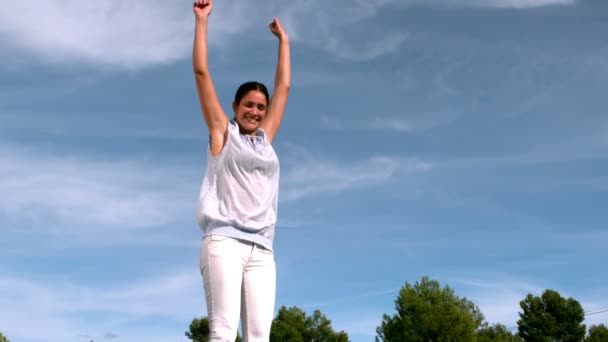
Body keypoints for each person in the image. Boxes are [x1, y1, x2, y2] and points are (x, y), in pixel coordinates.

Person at [192, 0, 290, 341]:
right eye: (249, 104)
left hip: (262, 249)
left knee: (259, 337)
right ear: (235, 106)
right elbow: (202, 73)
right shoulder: (223, 134)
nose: (256, 111)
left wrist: (284, 43)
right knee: (222, 332)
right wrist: (202, 21)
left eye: (261, 107)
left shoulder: (266, 141)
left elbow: (284, 89)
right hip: (224, 242)